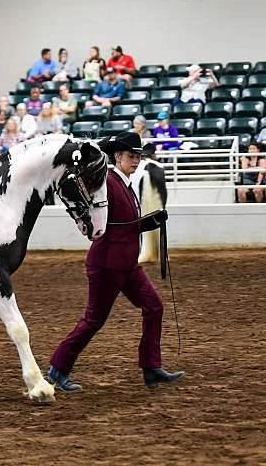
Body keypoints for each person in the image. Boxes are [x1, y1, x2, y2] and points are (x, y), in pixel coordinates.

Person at [48, 131, 184, 392]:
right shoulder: (107, 182)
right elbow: (99, 218)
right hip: (107, 264)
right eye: (132, 156)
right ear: (117, 156)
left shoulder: (127, 184)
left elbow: (126, 224)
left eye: (138, 156)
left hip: (127, 264)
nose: (136, 161)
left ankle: (151, 367)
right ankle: (58, 369)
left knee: (154, 307)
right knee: (93, 320)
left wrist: (150, 221)